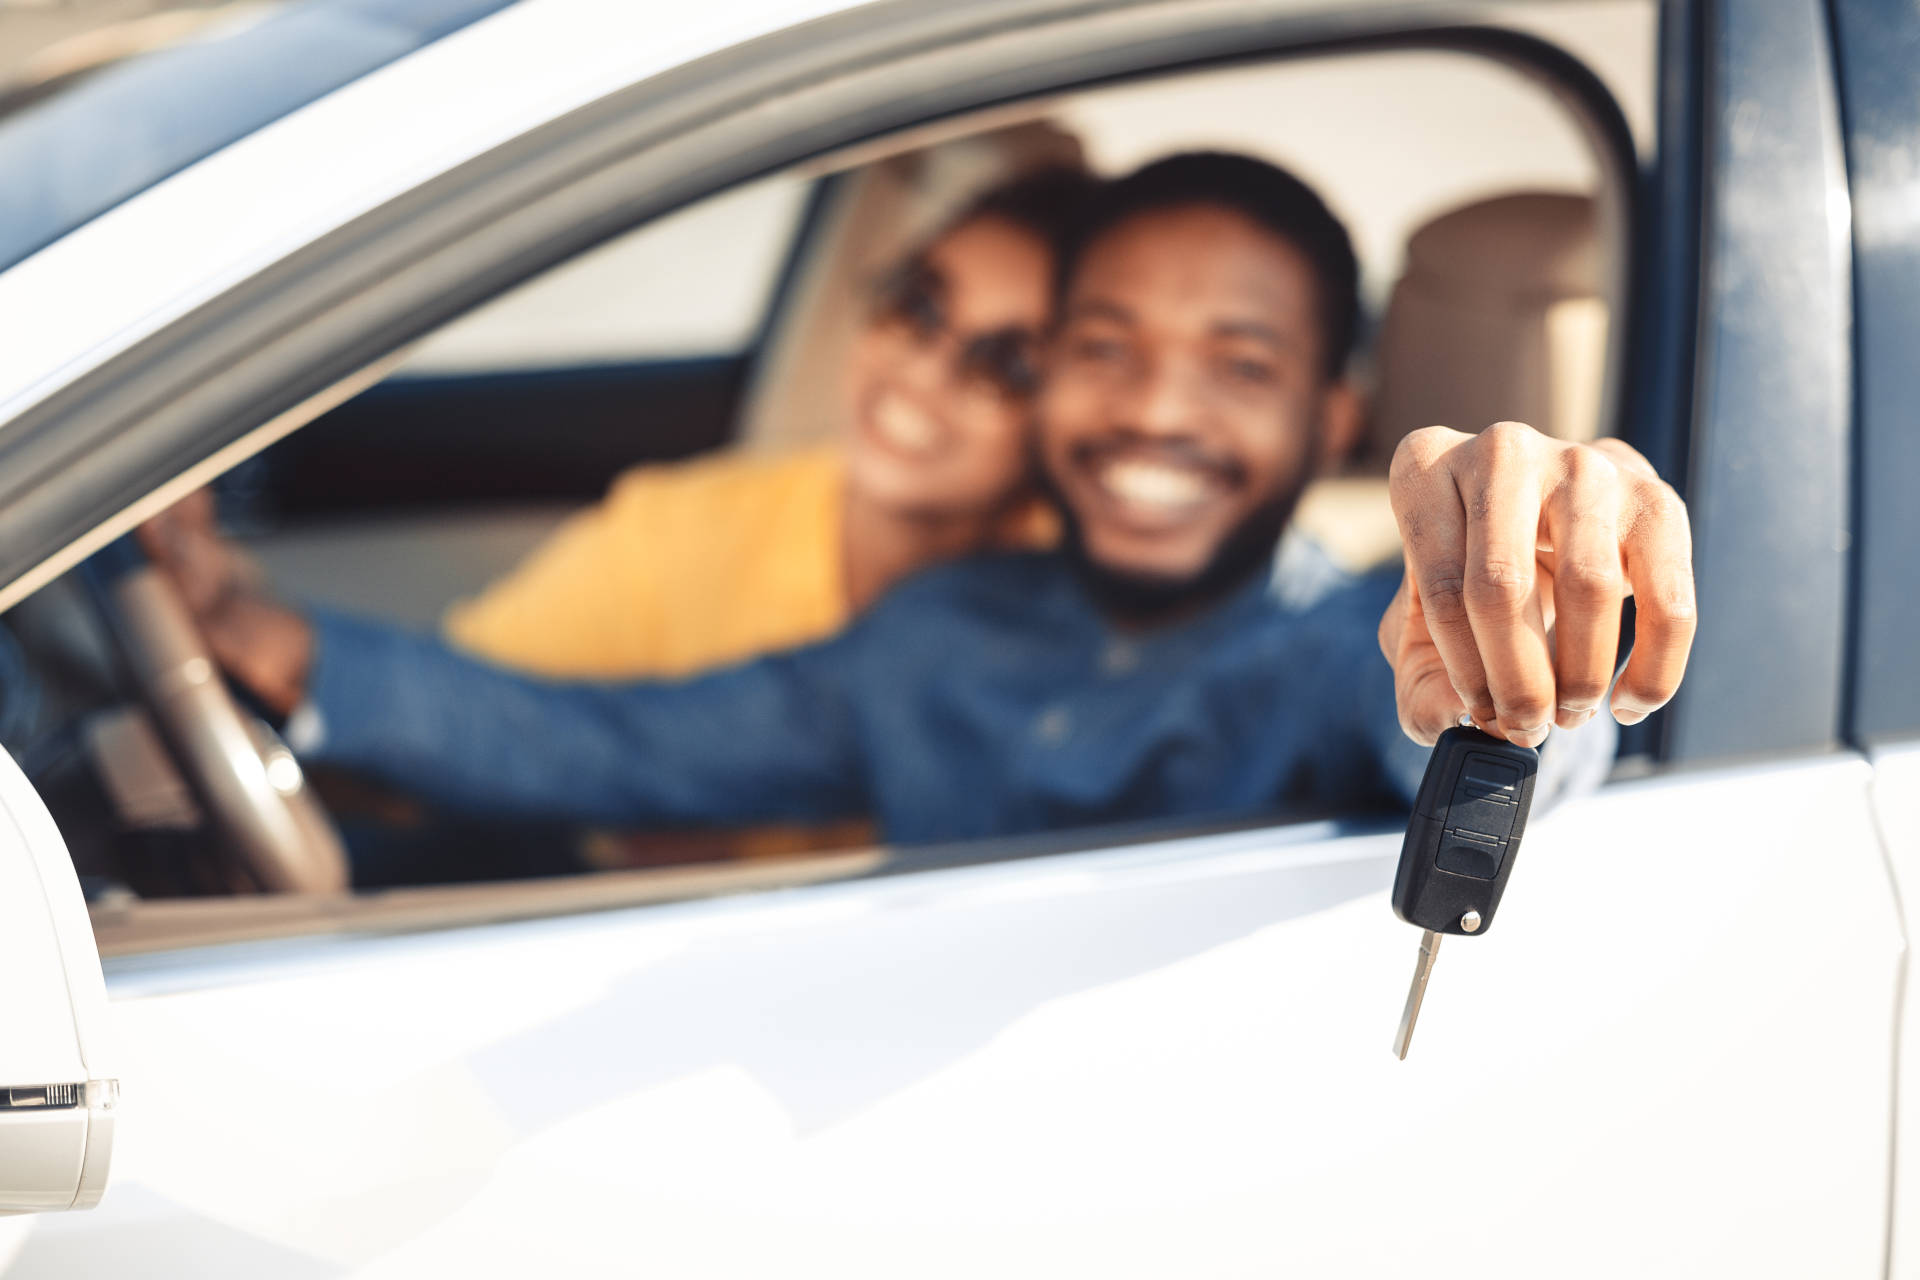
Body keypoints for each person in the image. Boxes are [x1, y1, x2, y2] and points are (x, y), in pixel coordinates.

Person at [145, 152, 1695, 846]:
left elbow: (1472, 743)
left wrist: (1529, 655)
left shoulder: (1351, 640)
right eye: (1102, 350)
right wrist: (264, 636)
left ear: (1331, 413)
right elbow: (616, 745)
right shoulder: (942, 629)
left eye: (1237, 365)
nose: (1154, 408)